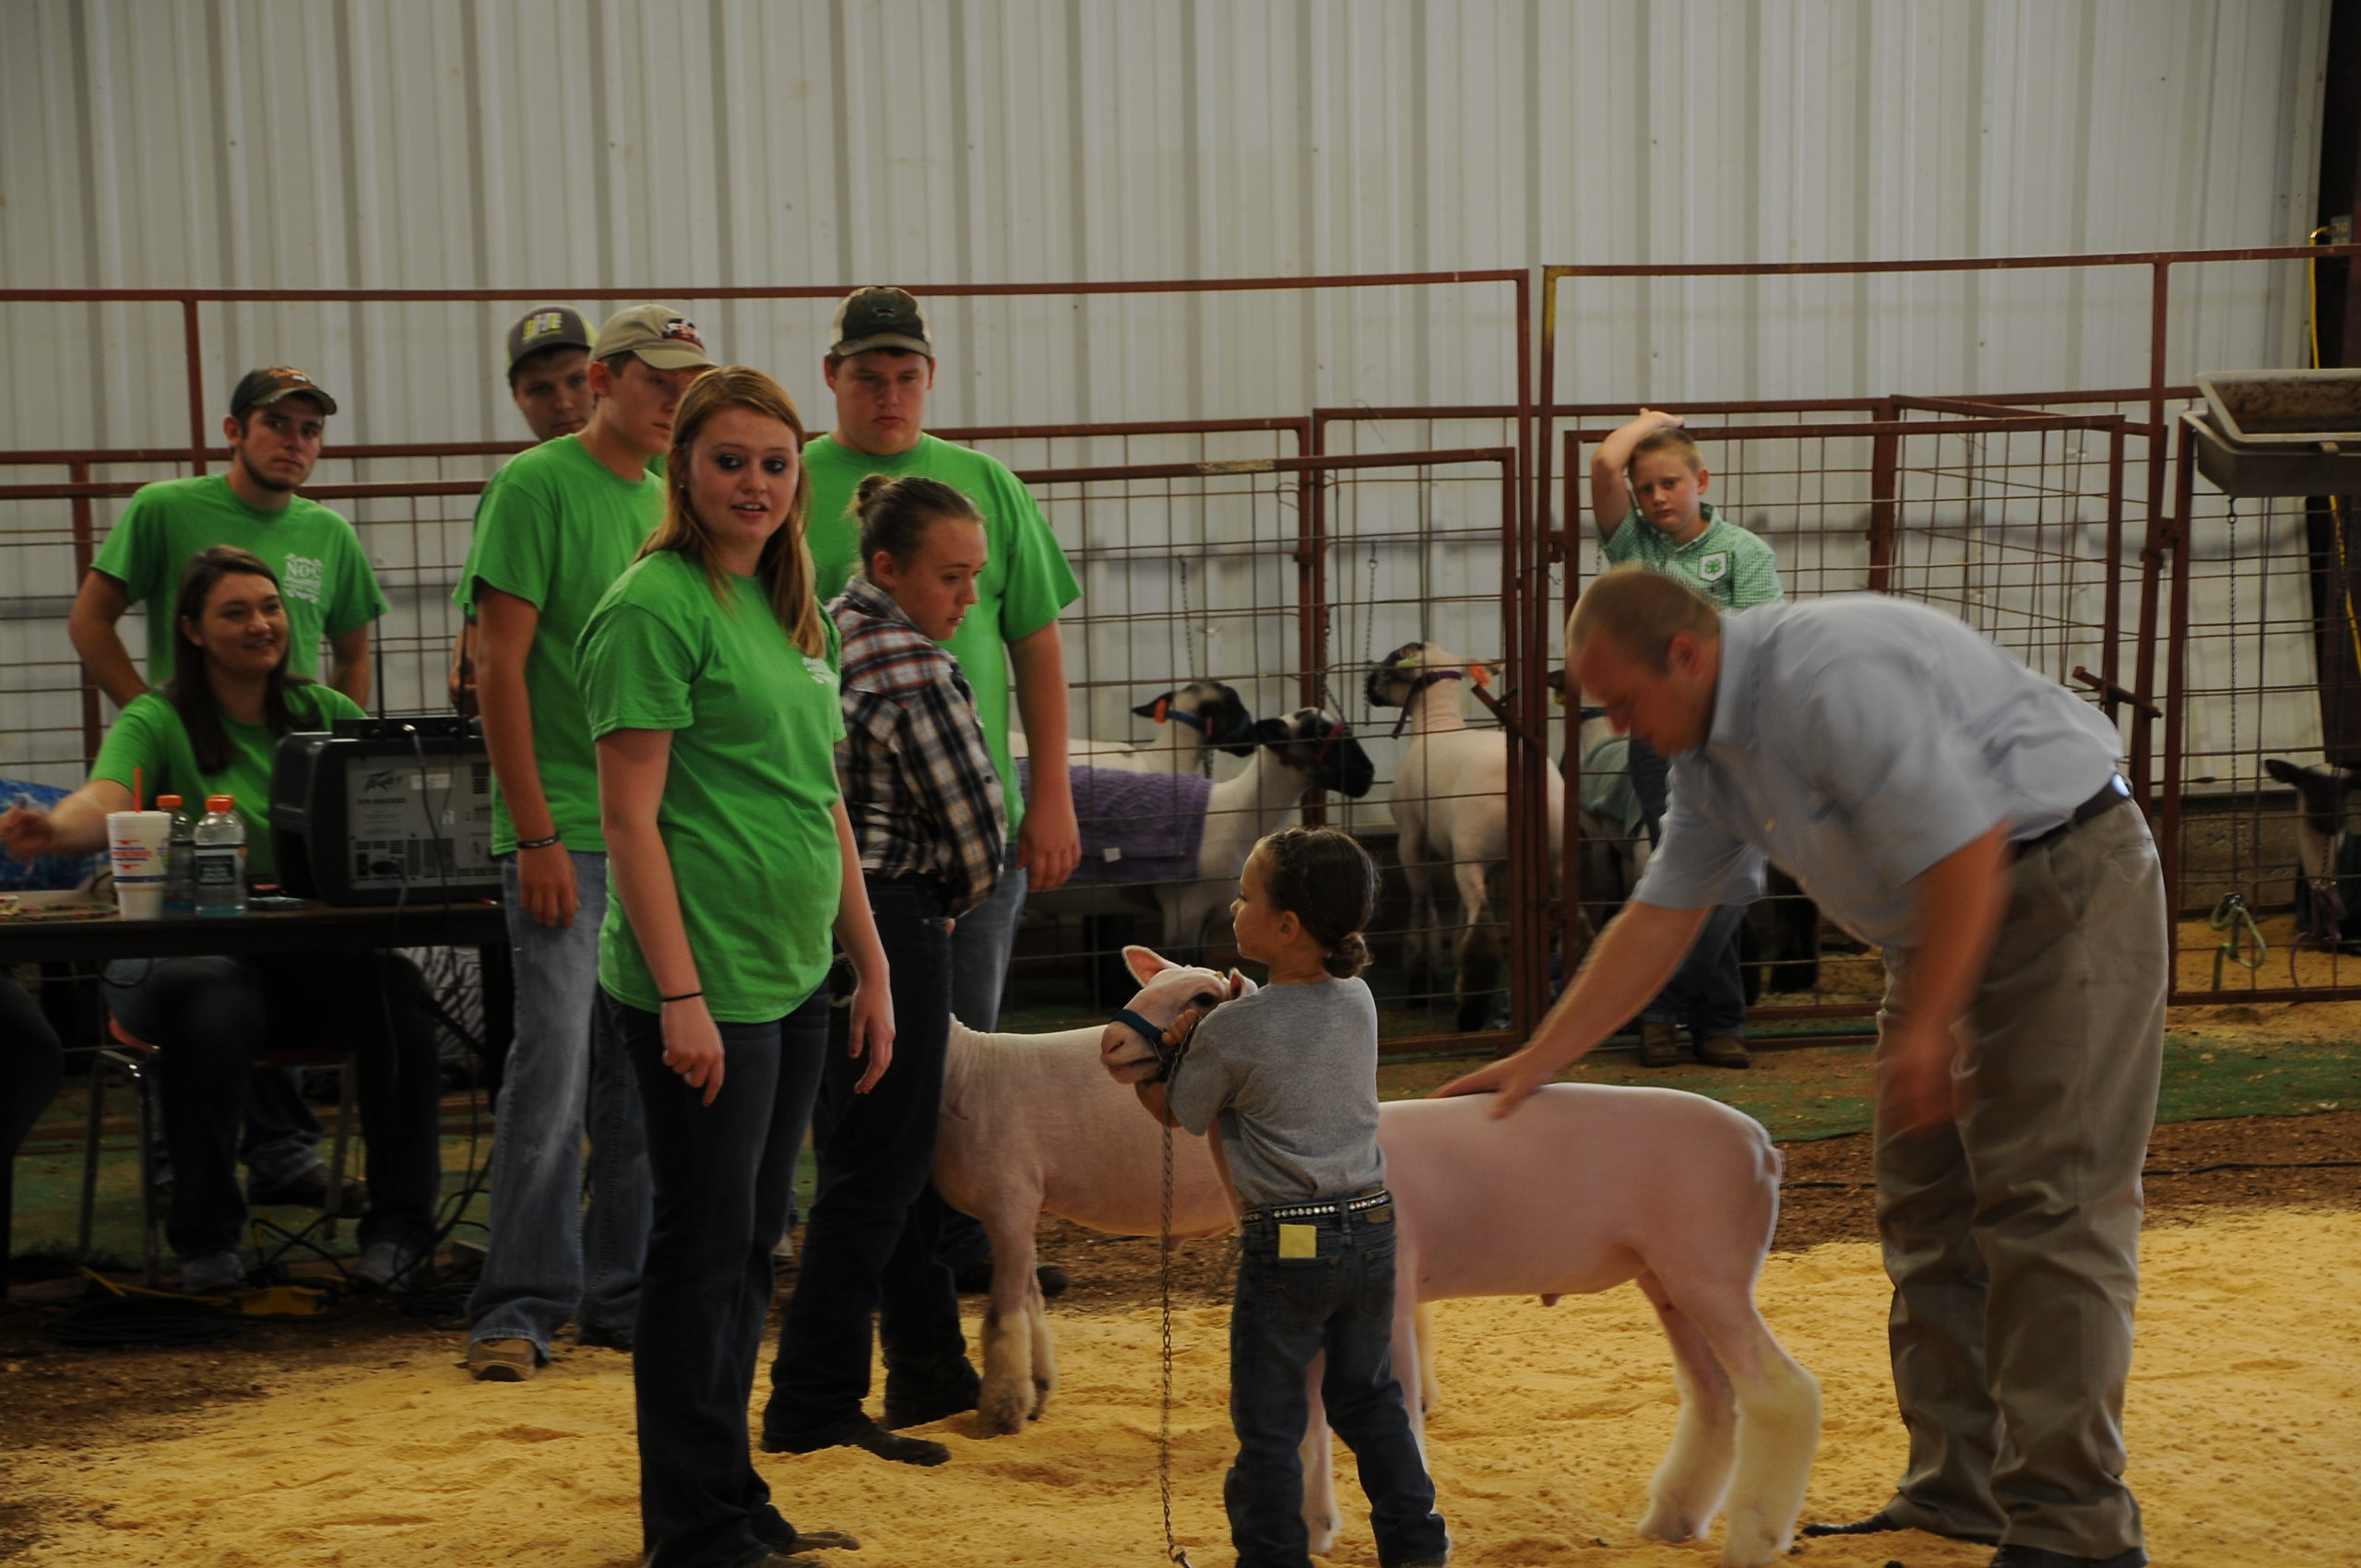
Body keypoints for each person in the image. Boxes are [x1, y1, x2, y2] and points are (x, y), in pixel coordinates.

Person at [1442, 568, 2163, 1568]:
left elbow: (1967, 842)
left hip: (2058, 883)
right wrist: (1534, 1058)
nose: (1617, 723)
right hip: (1943, 915)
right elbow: (1662, 913)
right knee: (1927, 1203)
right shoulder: (1707, 751)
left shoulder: (1825, 674)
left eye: (1623, 700)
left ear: (1686, 655)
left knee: (2049, 1202)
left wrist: (1927, 1026)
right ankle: (1959, 1487)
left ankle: (2072, 1527)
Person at [577, 364, 884, 1568]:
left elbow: (823, 804)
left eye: (773, 462)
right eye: (728, 460)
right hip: (702, 989)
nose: (753, 482)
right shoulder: (654, 607)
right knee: (702, 1255)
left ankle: (731, 1494)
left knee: (753, 1242)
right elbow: (629, 821)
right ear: (682, 470)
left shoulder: (788, 607)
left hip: (790, 977)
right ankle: (692, 1529)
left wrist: (870, 966)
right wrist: (683, 998)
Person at [3, 547, 443, 1294]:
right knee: (214, 998)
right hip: (171, 966)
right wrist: (55, 828)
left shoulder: (328, 715)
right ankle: (207, 1241)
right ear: (194, 631)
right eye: (235, 612)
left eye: (269, 608)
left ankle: (400, 1235)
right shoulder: (158, 717)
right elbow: (107, 795)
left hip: (302, 964)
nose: (260, 624)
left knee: (397, 994)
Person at [802, 285, 1083, 1314]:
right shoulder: (786, 479)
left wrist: (1047, 792)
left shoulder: (984, 480)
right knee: (870, 1045)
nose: (887, 390)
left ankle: (961, 1231)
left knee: (968, 1043)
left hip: (971, 807)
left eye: (905, 373)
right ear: (833, 374)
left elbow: (1035, 636)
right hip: (859, 821)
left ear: (930, 376)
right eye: (867, 373)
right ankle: (872, 1232)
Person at [457, 303, 716, 1382]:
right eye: (657, 379)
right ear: (605, 379)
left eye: (686, 381)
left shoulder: (679, 492)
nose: (673, 397)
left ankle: (622, 1292)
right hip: (570, 817)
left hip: (658, 827)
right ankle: (516, 1303)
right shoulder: (537, 485)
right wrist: (533, 833)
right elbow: (498, 664)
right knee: (556, 1060)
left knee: (645, 1062)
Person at [68, 365, 387, 1213]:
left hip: (291, 772)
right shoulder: (165, 508)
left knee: (282, 936)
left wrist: (342, 741)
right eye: (277, 424)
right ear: (234, 431)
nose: (296, 441)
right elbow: (88, 619)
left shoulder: (330, 533)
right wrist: (159, 716)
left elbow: (352, 652)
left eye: (310, 429)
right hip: (196, 787)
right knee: (205, 963)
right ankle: (191, 1169)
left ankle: (284, 1154)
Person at [761, 474, 1006, 1465]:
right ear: (888, 567)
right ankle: (814, 1394)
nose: (967, 598)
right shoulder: (914, 668)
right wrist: (952, 904)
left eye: (975, 576)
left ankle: (926, 1362)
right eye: (952, 576)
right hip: (895, 915)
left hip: (813, 915)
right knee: (885, 1164)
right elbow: (981, 832)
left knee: (870, 1149)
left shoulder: (817, 635)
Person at [1130, 827, 1451, 1568]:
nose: (1234, 906)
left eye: (1246, 896)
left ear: (1286, 927)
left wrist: (1171, 1052)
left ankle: (1273, 1556)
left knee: (1270, 1421)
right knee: (1371, 1399)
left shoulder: (1236, 1027)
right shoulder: (1361, 999)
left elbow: (1178, 1111)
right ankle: (1418, 1547)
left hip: (1289, 1242)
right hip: (1372, 1226)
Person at [1589, 410, 1783, 1068]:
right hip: (1659, 733)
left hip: (1732, 729)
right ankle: (1717, 1022)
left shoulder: (1747, 553)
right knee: (1683, 862)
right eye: (1645, 489)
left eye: (1670, 482)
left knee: (1726, 872)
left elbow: (1758, 642)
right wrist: (1646, 424)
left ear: (1701, 479)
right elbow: (1601, 466)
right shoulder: (1634, 549)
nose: (1657, 499)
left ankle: (1661, 1009)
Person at [448, 305, 599, 716]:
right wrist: (472, 664)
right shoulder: (523, 489)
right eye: (541, 389)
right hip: (563, 744)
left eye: (576, 381)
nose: (564, 403)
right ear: (517, 397)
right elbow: (479, 633)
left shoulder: (667, 473)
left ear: (601, 378)